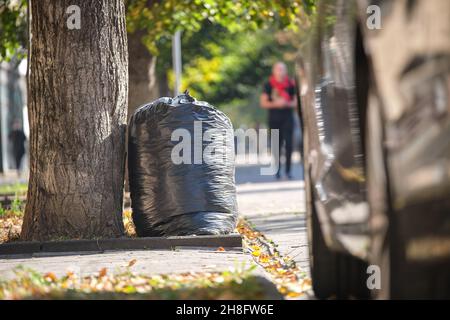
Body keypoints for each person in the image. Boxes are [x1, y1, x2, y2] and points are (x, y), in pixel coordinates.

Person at [260, 62, 297, 179]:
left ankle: (288, 171)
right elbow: (263, 103)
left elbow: (295, 102)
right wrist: (276, 103)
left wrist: (286, 103)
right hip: (274, 119)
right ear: (274, 71)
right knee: (276, 145)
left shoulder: (291, 84)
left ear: (285, 71)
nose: (280, 71)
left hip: (288, 118)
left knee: (289, 144)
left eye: (282, 69)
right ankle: (277, 170)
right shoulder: (268, 85)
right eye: (278, 69)